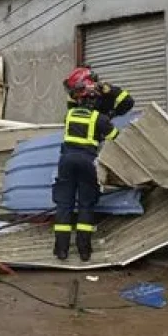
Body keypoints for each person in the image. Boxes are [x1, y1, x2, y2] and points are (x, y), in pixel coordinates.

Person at [52, 68, 119, 262]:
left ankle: (61, 250)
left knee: (64, 204)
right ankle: (84, 251)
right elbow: (115, 137)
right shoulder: (100, 119)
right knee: (86, 204)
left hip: (66, 161)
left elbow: (72, 104)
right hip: (87, 162)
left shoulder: (70, 115)